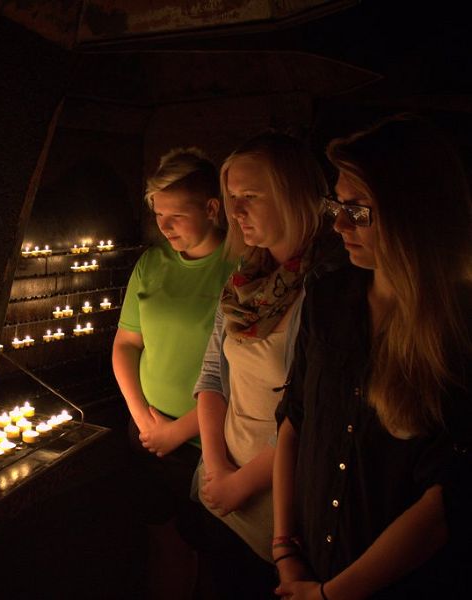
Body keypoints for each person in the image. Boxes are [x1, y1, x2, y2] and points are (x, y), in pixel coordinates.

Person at [273, 115, 472, 599]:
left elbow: (446, 500)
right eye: (338, 205)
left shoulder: (458, 331)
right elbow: (295, 417)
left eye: (359, 210)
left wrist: (333, 594)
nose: (339, 224)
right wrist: (284, 551)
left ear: (414, 215)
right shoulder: (328, 298)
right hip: (309, 569)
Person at [192, 132, 340, 599]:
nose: (235, 212)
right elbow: (213, 375)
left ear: (295, 194)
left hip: (280, 511)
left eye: (251, 197)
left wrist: (241, 484)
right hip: (218, 488)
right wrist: (215, 467)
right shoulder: (244, 282)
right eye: (232, 196)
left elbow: (313, 415)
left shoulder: (329, 290)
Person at [113, 147, 233, 598]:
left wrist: (179, 432)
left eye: (176, 216)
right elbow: (126, 345)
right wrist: (143, 418)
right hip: (146, 433)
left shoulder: (240, 268)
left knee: (208, 551)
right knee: (160, 540)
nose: (164, 227)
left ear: (211, 208)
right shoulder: (152, 263)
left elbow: (244, 376)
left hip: (208, 443)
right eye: (158, 215)